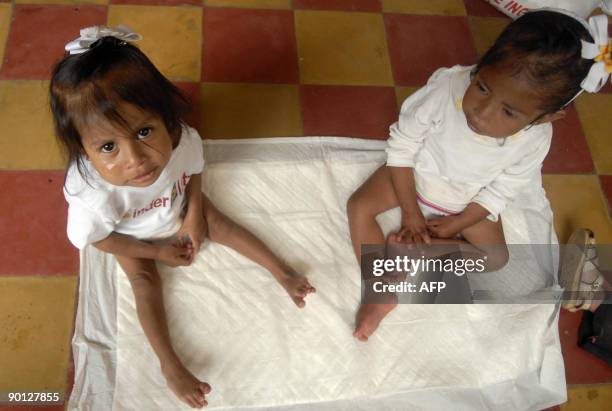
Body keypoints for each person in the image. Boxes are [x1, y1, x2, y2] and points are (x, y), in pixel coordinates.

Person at [50, 26, 315, 409]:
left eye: (144, 131)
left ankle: (283, 272)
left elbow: (195, 170)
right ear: (83, 150)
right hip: (131, 236)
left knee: (219, 222)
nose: (136, 160)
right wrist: (155, 254)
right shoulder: (92, 194)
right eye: (108, 147)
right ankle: (169, 364)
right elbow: (100, 239)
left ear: (166, 119)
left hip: (176, 205)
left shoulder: (180, 141)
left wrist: (193, 215)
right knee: (143, 283)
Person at [347, 10, 612, 341]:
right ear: (481, 64)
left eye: (509, 111)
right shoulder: (447, 87)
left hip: (468, 200)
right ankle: (379, 290)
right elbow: (402, 147)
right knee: (359, 206)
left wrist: (460, 222)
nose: (481, 112)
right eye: (483, 86)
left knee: (496, 259)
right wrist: (411, 211)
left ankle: (419, 253)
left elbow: (500, 190)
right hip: (415, 176)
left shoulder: (537, 139)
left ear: (547, 117)